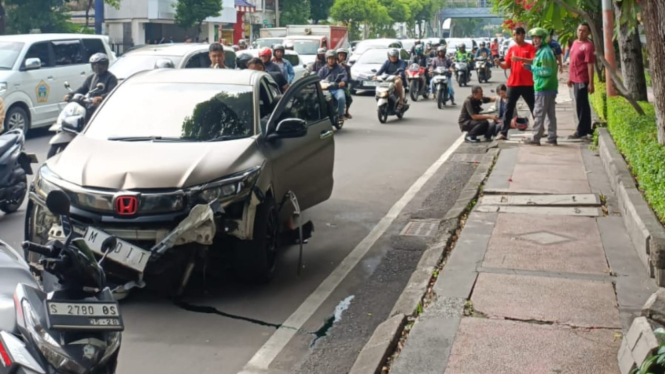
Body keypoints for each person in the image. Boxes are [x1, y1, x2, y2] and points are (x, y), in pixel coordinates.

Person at [494, 26, 536, 140]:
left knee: (533, 107)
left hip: (527, 83)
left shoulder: (530, 48)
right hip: (513, 83)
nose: (515, 37)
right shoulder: (512, 49)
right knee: (509, 108)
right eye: (513, 35)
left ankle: (539, 129)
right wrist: (499, 63)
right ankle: (503, 132)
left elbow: (534, 61)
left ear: (523, 35)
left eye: (517, 34)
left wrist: (520, 59)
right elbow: (506, 65)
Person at [521, 27, 559, 146]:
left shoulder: (545, 52)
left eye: (537, 38)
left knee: (539, 113)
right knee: (550, 115)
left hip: (543, 87)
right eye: (533, 38)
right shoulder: (543, 51)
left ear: (543, 39)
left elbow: (546, 71)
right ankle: (552, 137)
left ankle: (535, 137)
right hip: (549, 88)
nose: (535, 40)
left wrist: (531, 68)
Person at [567, 22, 595, 139]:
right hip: (575, 78)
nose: (581, 32)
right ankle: (586, 128)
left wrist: (591, 83)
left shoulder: (588, 46)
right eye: (579, 30)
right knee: (581, 104)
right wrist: (570, 77)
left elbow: (590, 65)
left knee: (581, 104)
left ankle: (581, 130)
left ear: (588, 32)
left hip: (582, 79)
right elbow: (572, 61)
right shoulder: (574, 43)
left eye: (584, 30)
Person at [318, 50, 348, 127]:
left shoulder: (340, 68)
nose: (331, 60)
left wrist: (343, 82)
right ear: (327, 59)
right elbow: (318, 78)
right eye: (329, 58)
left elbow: (345, 76)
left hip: (337, 89)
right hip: (326, 90)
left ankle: (341, 115)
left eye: (332, 58)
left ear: (335, 59)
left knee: (341, 98)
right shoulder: (323, 69)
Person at [337, 48, 353, 119]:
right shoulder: (334, 65)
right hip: (333, 85)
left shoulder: (347, 67)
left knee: (349, 98)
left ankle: (346, 111)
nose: (342, 57)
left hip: (343, 86)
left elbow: (349, 78)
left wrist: (344, 82)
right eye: (340, 55)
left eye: (343, 56)